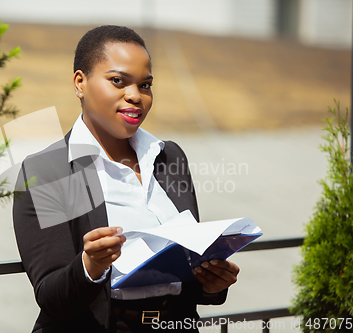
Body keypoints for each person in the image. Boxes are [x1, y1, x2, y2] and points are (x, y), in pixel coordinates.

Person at [13, 25, 240, 333]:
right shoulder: (51, 170)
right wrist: (89, 267)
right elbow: (51, 296)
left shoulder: (168, 157)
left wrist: (211, 284)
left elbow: (183, 270)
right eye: (118, 81)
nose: (135, 96)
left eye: (145, 85)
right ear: (80, 83)